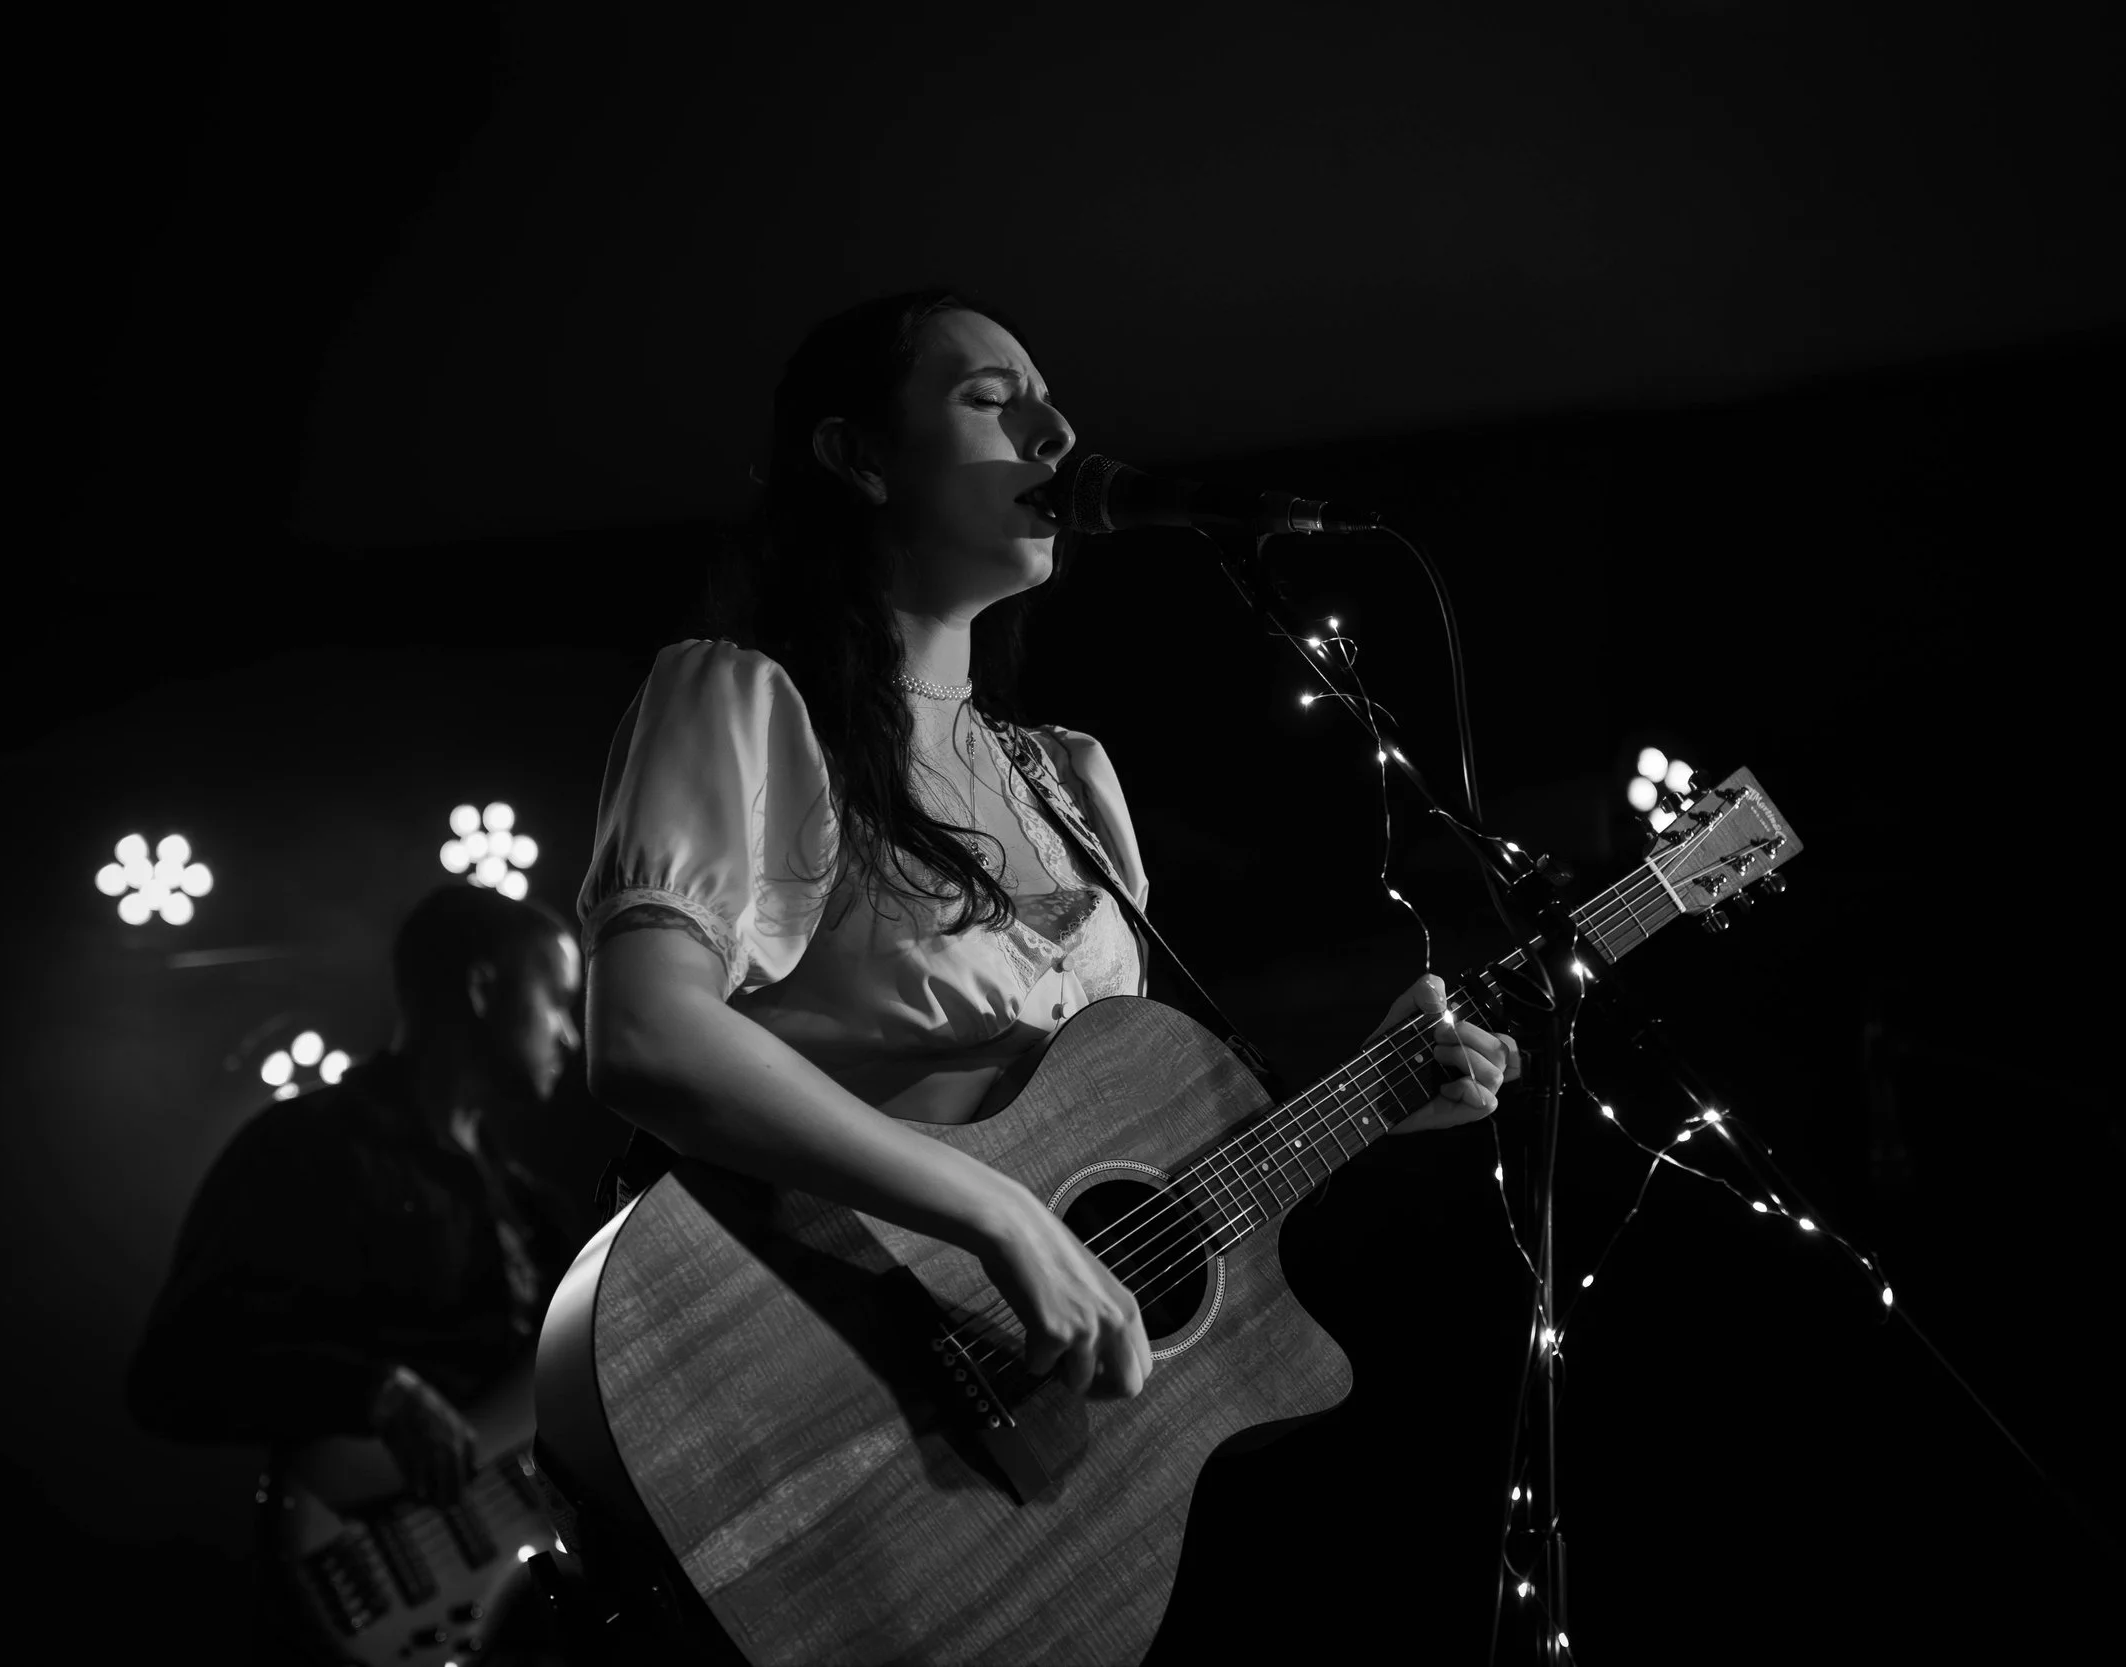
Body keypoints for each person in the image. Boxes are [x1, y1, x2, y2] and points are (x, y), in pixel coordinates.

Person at [576, 287, 1520, 1411]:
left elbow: (1111, 1169)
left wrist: (1372, 1098)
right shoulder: (744, 701)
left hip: (1020, 1414)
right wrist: (997, 1215)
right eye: (991, 400)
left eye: (1051, 402)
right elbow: (643, 1034)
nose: (1058, 434)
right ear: (859, 457)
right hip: (795, 1372)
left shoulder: (1069, 777)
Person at [126, 883, 586, 1656]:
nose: (571, 1034)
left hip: (517, 1605)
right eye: (559, 1000)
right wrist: (373, 1391)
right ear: (482, 988)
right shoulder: (308, 1146)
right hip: (358, 1574)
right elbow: (172, 1370)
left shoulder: (533, 1207)